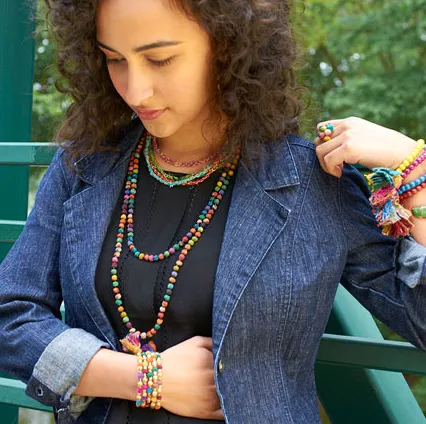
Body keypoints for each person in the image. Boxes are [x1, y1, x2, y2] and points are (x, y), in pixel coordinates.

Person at [0, 0, 425, 423]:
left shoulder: (313, 181)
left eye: (160, 59)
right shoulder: (86, 164)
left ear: (230, 47)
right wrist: (142, 378)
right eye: (114, 59)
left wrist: (417, 173)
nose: (135, 89)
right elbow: (10, 320)